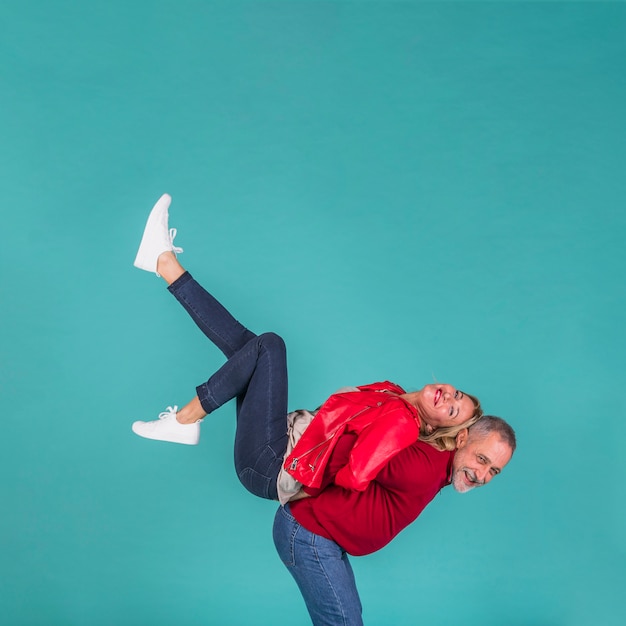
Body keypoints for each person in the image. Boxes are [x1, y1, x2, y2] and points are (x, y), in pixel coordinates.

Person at [130, 194, 516, 625]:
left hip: (279, 458)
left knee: (264, 348)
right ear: (460, 437)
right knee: (256, 348)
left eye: (491, 471)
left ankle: (168, 286)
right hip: (279, 455)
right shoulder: (401, 415)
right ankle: (166, 270)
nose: (482, 476)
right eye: (483, 460)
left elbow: (354, 462)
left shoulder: (417, 444)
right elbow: (353, 459)